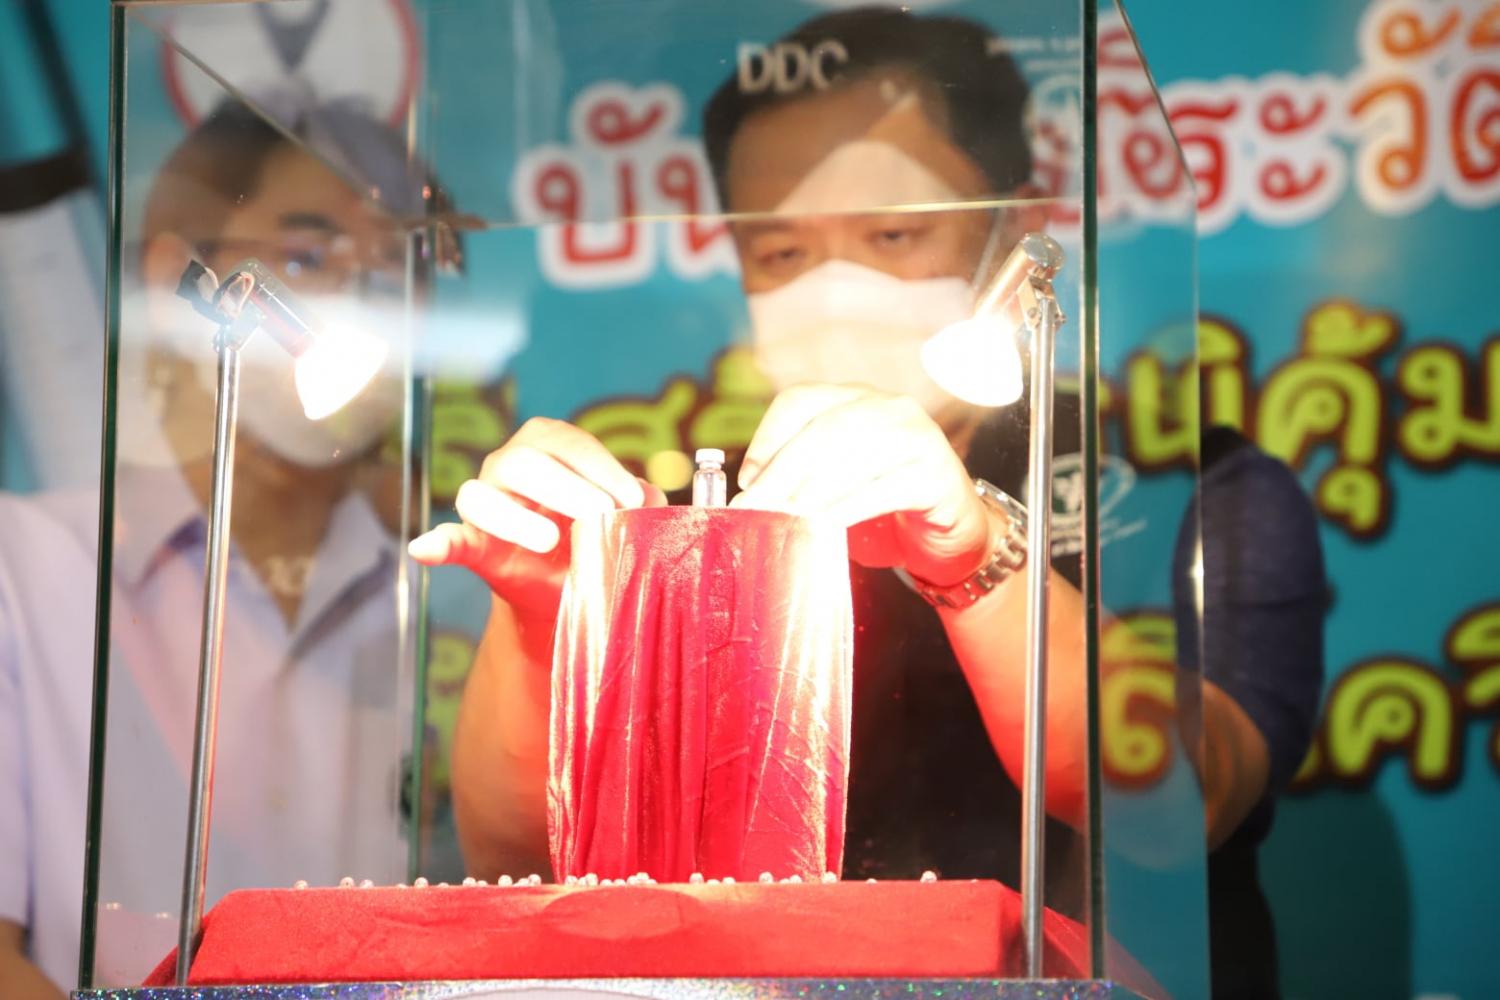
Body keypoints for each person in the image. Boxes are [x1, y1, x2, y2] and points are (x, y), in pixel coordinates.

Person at [415, 6, 1323, 996]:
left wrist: (974, 557)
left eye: (893, 233)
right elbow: (517, 864)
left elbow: (1187, 804)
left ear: (1016, 232)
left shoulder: (1195, 490)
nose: (834, 288)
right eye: (782, 253)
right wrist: (551, 623)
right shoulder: (702, 517)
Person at [0, 98, 451, 997]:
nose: (352, 305)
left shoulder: (430, 588)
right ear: (183, 277)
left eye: (391, 276)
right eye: (307, 258)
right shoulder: (24, 566)